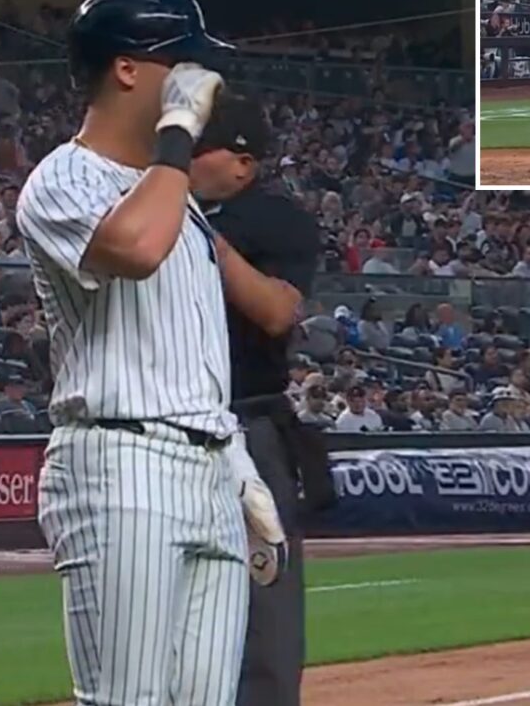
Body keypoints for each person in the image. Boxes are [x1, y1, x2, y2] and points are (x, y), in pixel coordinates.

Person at [17, 0, 285, 706]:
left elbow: (197, 347)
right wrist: (176, 135)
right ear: (129, 69)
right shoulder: (62, 177)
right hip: (120, 462)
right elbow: (134, 247)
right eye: (186, 61)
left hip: (206, 466)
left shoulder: (180, 199)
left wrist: (233, 460)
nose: (201, 81)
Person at [189, 97, 332, 706]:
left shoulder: (274, 219)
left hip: (249, 422)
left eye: (199, 148)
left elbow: (276, 312)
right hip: (165, 427)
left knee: (264, 611)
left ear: (244, 163)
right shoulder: (147, 212)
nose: (182, 158)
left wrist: (202, 235)